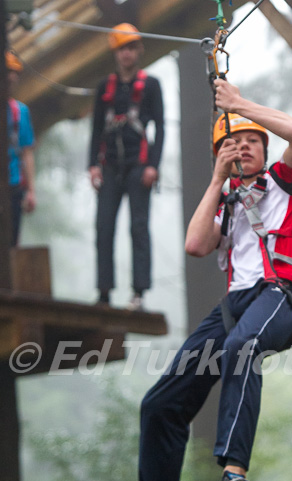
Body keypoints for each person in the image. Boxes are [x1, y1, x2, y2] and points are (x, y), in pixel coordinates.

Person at [105, 78, 292, 481]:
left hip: (283, 295)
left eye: (250, 141)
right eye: (231, 143)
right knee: (160, 404)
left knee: (243, 347)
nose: (241, 147)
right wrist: (217, 179)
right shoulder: (225, 199)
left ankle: (234, 478)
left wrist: (240, 106)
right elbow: (197, 245)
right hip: (234, 305)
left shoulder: (286, 180)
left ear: (266, 148)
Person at [88, 23, 164, 310]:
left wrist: (153, 166)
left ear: (139, 50)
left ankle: (139, 292)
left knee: (138, 227)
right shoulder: (104, 88)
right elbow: (96, 129)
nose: (127, 54)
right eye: (122, 49)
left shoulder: (151, 86)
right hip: (109, 166)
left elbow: (161, 127)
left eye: (131, 48)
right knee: (104, 227)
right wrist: (92, 165)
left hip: (138, 165)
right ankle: (104, 292)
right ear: (116, 53)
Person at [6, 51, 36, 246]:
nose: (10, 76)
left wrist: (31, 191)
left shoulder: (20, 111)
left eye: (14, 72)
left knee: (11, 243)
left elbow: (26, 152)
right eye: (7, 71)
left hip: (13, 186)